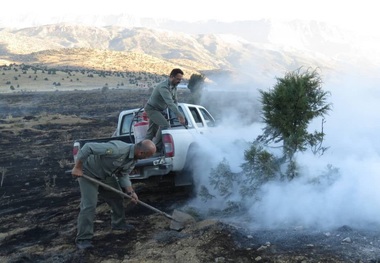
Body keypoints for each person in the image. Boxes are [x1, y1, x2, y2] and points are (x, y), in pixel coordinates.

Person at [71, 139, 156, 250]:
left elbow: (123, 174)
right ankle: (83, 239)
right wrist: (77, 167)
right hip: (88, 173)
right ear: (141, 153)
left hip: (106, 175)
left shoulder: (133, 159)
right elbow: (88, 147)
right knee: (89, 205)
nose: (147, 159)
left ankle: (119, 223)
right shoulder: (117, 150)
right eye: (147, 156)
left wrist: (131, 192)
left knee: (117, 197)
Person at [144, 68, 186, 153]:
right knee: (165, 125)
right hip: (152, 109)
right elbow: (170, 102)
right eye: (178, 79)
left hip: (159, 110)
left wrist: (177, 113)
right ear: (171, 77)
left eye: (180, 79)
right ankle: (155, 148)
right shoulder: (163, 87)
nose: (179, 81)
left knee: (152, 132)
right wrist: (180, 115)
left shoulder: (174, 87)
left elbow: (175, 101)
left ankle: (143, 149)